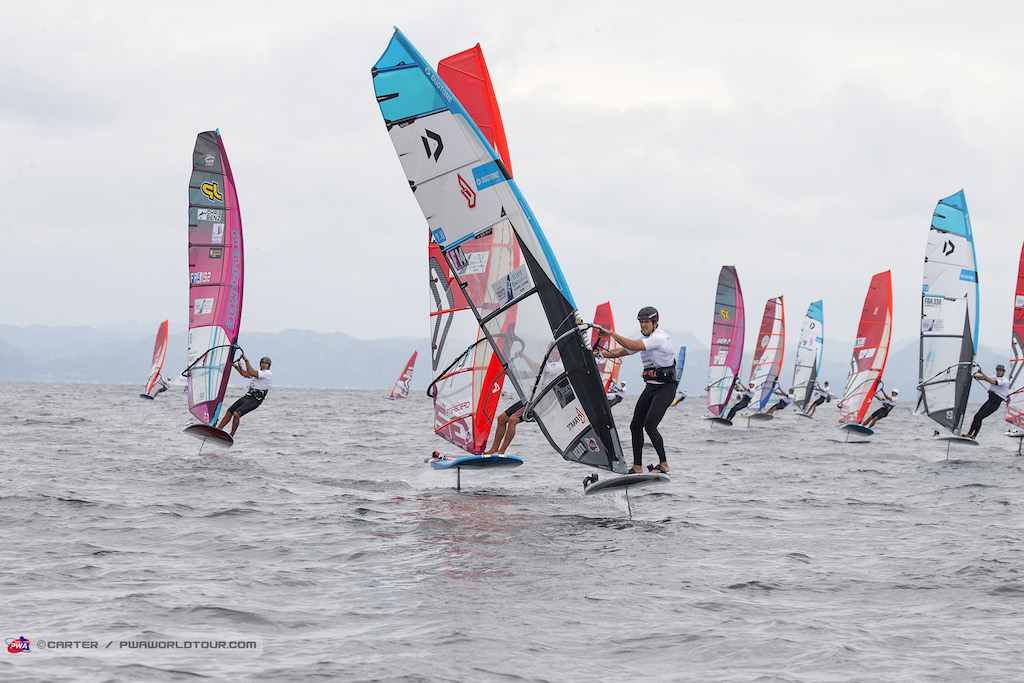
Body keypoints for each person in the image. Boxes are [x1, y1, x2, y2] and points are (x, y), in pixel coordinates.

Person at [592, 306, 675, 475]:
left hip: (666, 388)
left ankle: (664, 464)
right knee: (635, 425)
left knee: (650, 425)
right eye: (641, 322)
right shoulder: (643, 338)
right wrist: (597, 355)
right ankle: (637, 467)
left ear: (655, 323)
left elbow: (632, 344)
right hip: (651, 387)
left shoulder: (660, 338)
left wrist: (612, 334)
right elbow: (621, 351)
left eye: (646, 322)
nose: (643, 325)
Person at [485, 349, 564, 454]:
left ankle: (501, 452)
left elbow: (539, 369)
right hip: (531, 400)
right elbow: (523, 375)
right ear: (548, 354)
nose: (554, 355)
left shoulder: (558, 367)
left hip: (541, 403)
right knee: (501, 418)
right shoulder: (546, 366)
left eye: (556, 353)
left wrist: (524, 356)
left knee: (513, 420)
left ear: (560, 355)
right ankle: (493, 449)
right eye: (552, 353)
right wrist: (506, 370)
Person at [216, 355, 273, 437]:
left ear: (269, 366)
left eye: (266, 364)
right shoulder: (258, 372)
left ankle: (231, 435)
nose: (264, 365)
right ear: (260, 364)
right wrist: (234, 365)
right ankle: (218, 430)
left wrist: (246, 360)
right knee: (229, 412)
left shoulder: (267, 373)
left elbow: (251, 372)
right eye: (262, 363)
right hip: (248, 396)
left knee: (236, 414)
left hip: (255, 400)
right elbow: (245, 374)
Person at [965, 364, 1010, 439]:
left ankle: (974, 436)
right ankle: (969, 434)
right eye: (997, 370)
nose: (998, 372)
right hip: (989, 401)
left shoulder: (1005, 381)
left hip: (995, 404)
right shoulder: (994, 376)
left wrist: (982, 373)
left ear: (1003, 372)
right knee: (976, 416)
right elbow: (983, 378)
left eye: (1000, 371)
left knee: (979, 417)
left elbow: (991, 381)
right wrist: (972, 375)